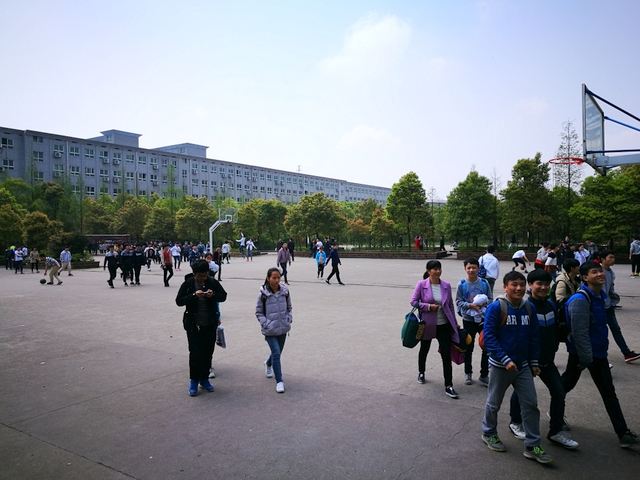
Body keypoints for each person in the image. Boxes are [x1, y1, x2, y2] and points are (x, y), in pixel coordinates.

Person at [561, 261, 640, 448]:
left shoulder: (600, 296)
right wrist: (585, 358)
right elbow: (579, 332)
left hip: (598, 352)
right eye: (594, 272)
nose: (600, 274)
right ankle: (555, 417)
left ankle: (623, 434)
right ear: (585, 277)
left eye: (600, 271)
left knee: (606, 391)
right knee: (564, 387)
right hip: (583, 354)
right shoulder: (580, 300)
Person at [481, 271, 553, 464]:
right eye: (514, 284)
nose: (519, 288)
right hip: (500, 366)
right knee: (494, 403)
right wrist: (505, 359)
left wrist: (534, 362)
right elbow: (489, 337)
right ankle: (489, 433)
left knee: (530, 404)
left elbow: (534, 337)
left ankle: (532, 445)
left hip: (522, 367)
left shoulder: (529, 308)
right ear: (505, 287)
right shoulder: (497, 307)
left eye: (522, 284)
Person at [508, 270, 579, 449]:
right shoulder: (524, 307)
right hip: (527, 361)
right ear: (530, 285)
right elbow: (521, 336)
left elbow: (555, 331)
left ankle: (555, 431)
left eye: (547, 284)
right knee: (521, 393)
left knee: (559, 391)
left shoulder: (551, 305)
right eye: (539, 283)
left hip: (547, 361)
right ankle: (515, 422)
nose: (543, 287)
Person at [176, 259, 227, 396]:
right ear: (194, 274)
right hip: (194, 325)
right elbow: (179, 301)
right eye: (200, 275)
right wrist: (194, 296)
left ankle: (204, 379)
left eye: (205, 275)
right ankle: (194, 380)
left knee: (208, 353)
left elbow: (223, 296)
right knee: (195, 354)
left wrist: (212, 295)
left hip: (209, 324)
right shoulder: (188, 284)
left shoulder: (212, 282)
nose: (203, 278)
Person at [410, 260, 460, 398]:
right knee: (424, 349)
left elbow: (450, 305)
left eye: (439, 269)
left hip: (444, 325)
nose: (438, 271)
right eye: (435, 269)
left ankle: (449, 385)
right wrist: (427, 307)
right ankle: (421, 372)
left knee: (446, 354)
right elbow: (413, 301)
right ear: (428, 271)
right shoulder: (422, 284)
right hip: (427, 324)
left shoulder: (446, 285)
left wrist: (454, 322)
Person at [456, 258, 492, 387]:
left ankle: (484, 375)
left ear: (478, 269)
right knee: (468, 347)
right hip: (468, 319)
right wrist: (469, 305)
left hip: (483, 319)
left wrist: (484, 304)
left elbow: (490, 299)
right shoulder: (462, 284)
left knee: (486, 346)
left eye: (474, 267)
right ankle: (468, 373)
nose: (471, 270)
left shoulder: (484, 283)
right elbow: (458, 301)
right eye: (469, 268)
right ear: (465, 269)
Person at [255, 267, 292, 394]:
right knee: (276, 352)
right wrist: (266, 323)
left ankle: (268, 363)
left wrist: (288, 318)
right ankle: (279, 381)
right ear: (268, 278)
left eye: (278, 277)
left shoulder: (285, 292)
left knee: (277, 353)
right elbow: (259, 312)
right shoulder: (263, 295)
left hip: (283, 327)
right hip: (270, 329)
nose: (276, 280)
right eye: (274, 278)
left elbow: (289, 307)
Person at [599, 250, 640, 363]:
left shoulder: (610, 272)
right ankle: (598, 357)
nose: (613, 259)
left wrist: (613, 300)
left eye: (613, 257)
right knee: (600, 332)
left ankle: (626, 353)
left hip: (609, 306)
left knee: (616, 329)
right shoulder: (598, 272)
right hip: (599, 307)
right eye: (610, 257)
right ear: (602, 259)